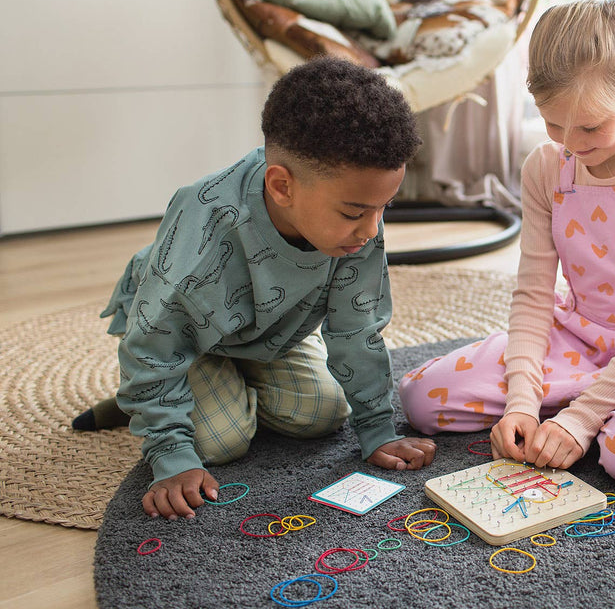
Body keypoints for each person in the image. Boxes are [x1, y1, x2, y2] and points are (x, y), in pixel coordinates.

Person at [398, 0, 615, 489]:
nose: (572, 142)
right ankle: (593, 396)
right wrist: (522, 401)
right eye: (553, 123)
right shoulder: (546, 166)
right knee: (421, 398)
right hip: (580, 332)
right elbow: (534, 295)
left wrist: (580, 421)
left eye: (590, 127)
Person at [73, 57, 435, 519]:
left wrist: (378, 429)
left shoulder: (358, 219)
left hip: (267, 330)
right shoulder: (202, 232)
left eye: (384, 207)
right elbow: (153, 342)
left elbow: (356, 327)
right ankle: (151, 403)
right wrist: (169, 452)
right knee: (223, 441)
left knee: (324, 414)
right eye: (354, 213)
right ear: (281, 187)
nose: (371, 229)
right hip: (180, 338)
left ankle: (215, 389)